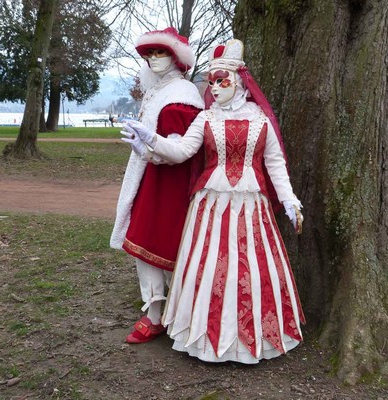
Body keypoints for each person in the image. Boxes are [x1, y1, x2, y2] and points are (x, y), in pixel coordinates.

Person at [122, 39, 305, 363]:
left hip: (252, 206)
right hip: (210, 207)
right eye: (212, 81)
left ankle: (250, 337)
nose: (216, 87)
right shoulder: (206, 119)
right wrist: (149, 142)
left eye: (223, 80)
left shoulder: (260, 119)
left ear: (240, 81)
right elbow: (181, 151)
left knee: (248, 269)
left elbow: (275, 164)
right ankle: (206, 336)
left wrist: (290, 201)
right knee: (210, 269)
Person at [110, 27, 204, 344]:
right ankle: (158, 312)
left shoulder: (181, 97)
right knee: (145, 244)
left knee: (153, 243)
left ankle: (163, 316)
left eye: (160, 52)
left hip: (170, 183)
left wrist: (147, 148)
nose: (153, 59)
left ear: (176, 57)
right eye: (149, 53)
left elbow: (180, 151)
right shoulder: (162, 91)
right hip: (153, 176)